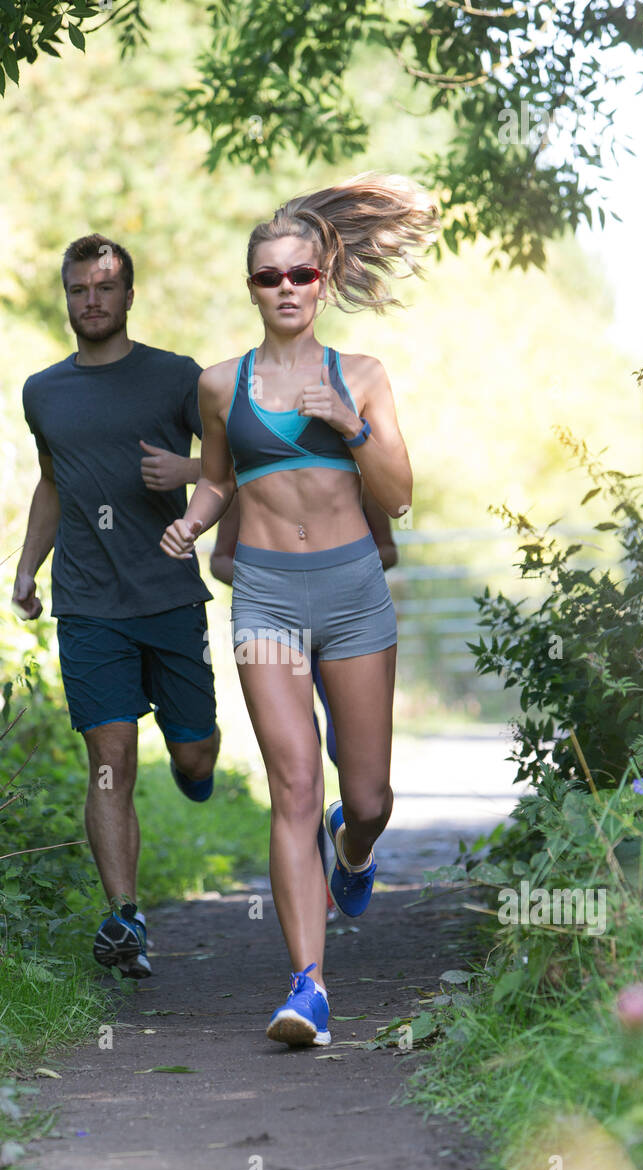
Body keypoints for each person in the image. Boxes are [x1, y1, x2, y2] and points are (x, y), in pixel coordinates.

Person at [161, 173, 438, 1047]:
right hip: (270, 600)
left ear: (324, 278)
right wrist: (191, 523)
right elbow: (217, 476)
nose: (285, 289)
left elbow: (395, 497)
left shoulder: (361, 374)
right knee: (293, 784)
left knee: (367, 796)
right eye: (267, 277)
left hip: (355, 596)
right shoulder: (218, 384)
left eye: (299, 276)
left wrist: (351, 426)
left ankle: (353, 853)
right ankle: (307, 988)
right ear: (252, 288)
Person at [14, 234, 221, 980]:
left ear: (129, 295)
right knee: (109, 759)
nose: (91, 301)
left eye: (104, 288)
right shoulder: (44, 390)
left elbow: (238, 463)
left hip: (169, 595)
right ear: (66, 297)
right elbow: (52, 483)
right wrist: (27, 570)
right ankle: (125, 917)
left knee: (193, 750)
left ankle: (197, 767)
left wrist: (189, 468)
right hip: (89, 603)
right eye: (78, 290)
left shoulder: (176, 378)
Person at [210, 488, 399, 923]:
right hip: (274, 624)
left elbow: (387, 548)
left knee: (347, 760)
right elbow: (220, 558)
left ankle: (351, 846)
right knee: (298, 771)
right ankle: (316, 893)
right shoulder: (252, 475)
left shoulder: (353, 471)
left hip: (347, 626)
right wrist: (271, 580)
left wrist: (333, 573)